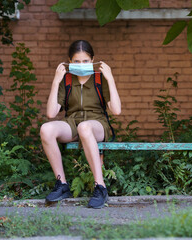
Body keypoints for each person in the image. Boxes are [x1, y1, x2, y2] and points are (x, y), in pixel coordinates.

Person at [40, 40, 121, 209]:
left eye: (85, 61)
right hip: (72, 122)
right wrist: (56, 81)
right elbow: (51, 113)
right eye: (76, 61)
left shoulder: (99, 79)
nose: (81, 64)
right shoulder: (66, 80)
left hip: (97, 123)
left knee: (84, 127)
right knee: (46, 129)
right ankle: (62, 184)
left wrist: (110, 78)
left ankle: (100, 187)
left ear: (92, 60)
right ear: (70, 61)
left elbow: (116, 110)